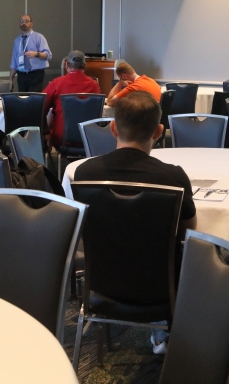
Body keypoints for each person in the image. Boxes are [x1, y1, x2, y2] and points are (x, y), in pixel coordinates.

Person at [74, 91, 197, 355]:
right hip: (162, 290)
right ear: (159, 132)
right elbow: (189, 233)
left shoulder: (84, 173)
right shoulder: (173, 178)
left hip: (101, 286)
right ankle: (167, 334)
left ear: (113, 128)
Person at [42, 50, 101, 148]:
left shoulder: (57, 83)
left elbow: (40, 106)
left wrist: (45, 131)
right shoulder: (94, 85)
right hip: (89, 138)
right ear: (84, 66)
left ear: (67, 65)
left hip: (62, 138)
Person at [9, 14, 52, 93]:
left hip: (36, 74)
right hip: (21, 75)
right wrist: (10, 79)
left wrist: (36, 54)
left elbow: (48, 55)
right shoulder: (17, 41)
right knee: (22, 98)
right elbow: (14, 62)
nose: (23, 23)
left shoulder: (39, 37)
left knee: (33, 98)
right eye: (21, 21)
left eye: (26, 21)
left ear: (31, 24)